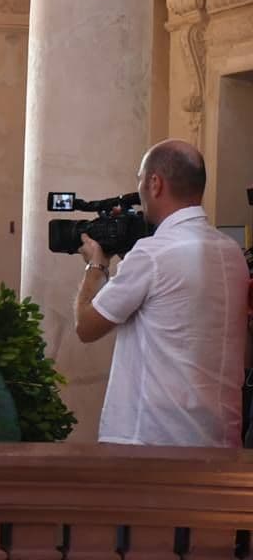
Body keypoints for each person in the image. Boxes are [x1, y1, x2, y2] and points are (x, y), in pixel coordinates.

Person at [74, 139, 248, 447]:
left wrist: (96, 266)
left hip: (152, 441)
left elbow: (86, 326)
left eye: (140, 179)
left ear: (155, 184)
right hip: (218, 440)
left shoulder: (152, 254)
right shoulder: (231, 252)